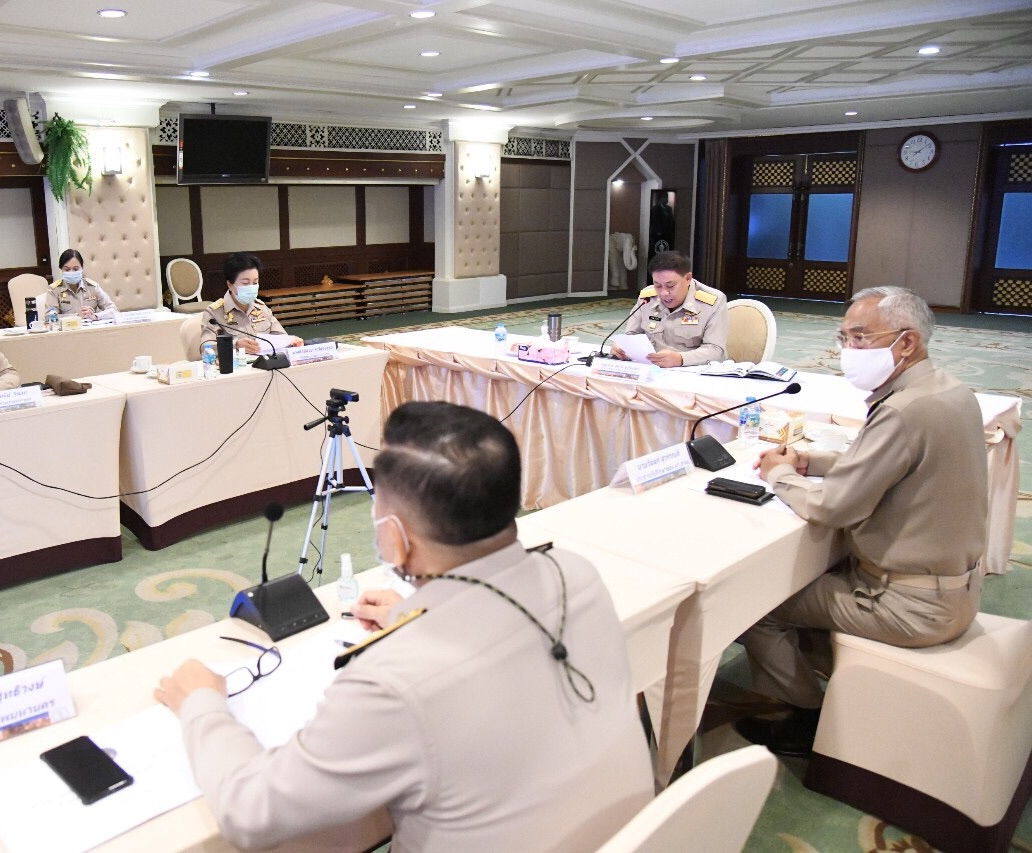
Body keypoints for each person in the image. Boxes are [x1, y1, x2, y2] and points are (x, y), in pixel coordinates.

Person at [155, 401, 652, 852]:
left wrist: (201, 703)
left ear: (395, 537)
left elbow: (250, 813)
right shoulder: (576, 573)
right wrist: (414, 616)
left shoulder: (391, 681)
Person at [737, 286, 987, 756]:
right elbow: (887, 464)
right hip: (955, 588)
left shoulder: (904, 410)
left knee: (754, 603)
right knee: (812, 573)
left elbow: (834, 508)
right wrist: (811, 461)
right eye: (844, 338)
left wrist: (781, 475)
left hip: (910, 605)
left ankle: (803, 718)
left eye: (859, 338)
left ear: (906, 342)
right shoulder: (948, 391)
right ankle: (834, 682)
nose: (847, 351)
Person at [611, 250, 727, 367]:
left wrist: (681, 359)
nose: (663, 293)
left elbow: (716, 351)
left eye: (670, 286)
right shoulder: (647, 298)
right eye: (657, 285)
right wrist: (622, 348)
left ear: (688, 278)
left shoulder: (713, 301)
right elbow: (631, 335)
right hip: (651, 369)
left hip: (692, 371)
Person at [200, 252, 302, 353]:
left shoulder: (261, 308)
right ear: (230, 285)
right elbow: (206, 348)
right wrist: (235, 345)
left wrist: (291, 341)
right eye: (245, 283)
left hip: (265, 361)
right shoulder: (214, 313)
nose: (251, 287)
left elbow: (281, 337)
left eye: (255, 282)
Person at [46, 249, 118, 321]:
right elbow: (49, 317)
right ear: (61, 269)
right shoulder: (54, 290)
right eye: (67, 269)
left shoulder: (92, 287)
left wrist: (95, 316)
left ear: (82, 268)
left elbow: (113, 310)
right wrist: (77, 316)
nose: (71, 272)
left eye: (75, 269)